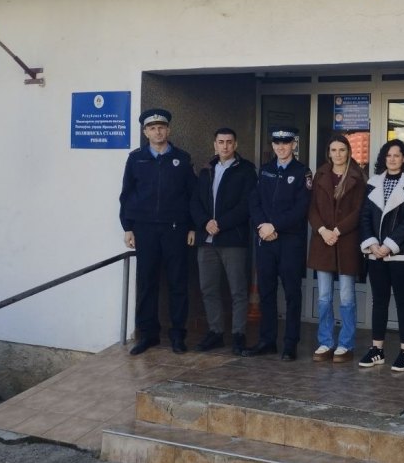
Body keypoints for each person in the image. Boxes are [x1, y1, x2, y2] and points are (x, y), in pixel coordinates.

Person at [119, 108, 197, 355]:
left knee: (178, 283)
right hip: (145, 229)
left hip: (175, 229)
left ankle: (178, 335)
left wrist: (192, 226)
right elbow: (126, 194)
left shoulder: (182, 158)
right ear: (145, 132)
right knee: (147, 283)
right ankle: (148, 335)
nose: (157, 132)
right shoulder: (136, 159)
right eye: (152, 128)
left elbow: (192, 196)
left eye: (161, 127)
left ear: (168, 130)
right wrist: (128, 227)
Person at [245, 127, 312, 361]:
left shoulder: (302, 172)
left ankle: (290, 344)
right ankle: (267, 340)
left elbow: (301, 208)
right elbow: (254, 201)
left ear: (293, 144)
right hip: (265, 240)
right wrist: (262, 226)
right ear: (272, 145)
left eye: (286, 142)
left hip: (290, 241)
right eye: (277, 143)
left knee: (292, 293)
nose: (281, 147)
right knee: (266, 291)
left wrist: (275, 226)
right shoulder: (265, 170)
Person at [190, 127, 256, 356]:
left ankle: (238, 334)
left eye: (229, 142)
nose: (225, 146)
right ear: (214, 145)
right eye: (221, 142)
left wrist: (221, 223)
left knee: (238, 290)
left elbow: (247, 204)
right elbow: (195, 202)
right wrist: (205, 222)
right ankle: (215, 331)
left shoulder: (246, 170)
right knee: (208, 288)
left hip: (232, 239)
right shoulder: (206, 170)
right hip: (207, 240)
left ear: (235, 145)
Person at [358, 139, 404, 372]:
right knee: (379, 301)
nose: (392, 159)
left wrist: (389, 245)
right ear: (383, 158)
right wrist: (372, 244)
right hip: (376, 254)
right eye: (388, 155)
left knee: (403, 302)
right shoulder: (373, 183)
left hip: (402, 254)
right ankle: (377, 349)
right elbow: (365, 216)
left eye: (397, 155)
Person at [307, 134, 367, 363]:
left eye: (342, 149)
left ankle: (346, 344)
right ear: (328, 153)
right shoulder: (321, 174)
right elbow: (312, 208)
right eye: (334, 150)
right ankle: (325, 342)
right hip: (323, 241)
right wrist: (323, 230)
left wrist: (338, 231)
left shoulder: (357, 176)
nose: (338, 154)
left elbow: (360, 211)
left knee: (346, 297)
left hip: (346, 241)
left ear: (349, 152)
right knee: (324, 296)